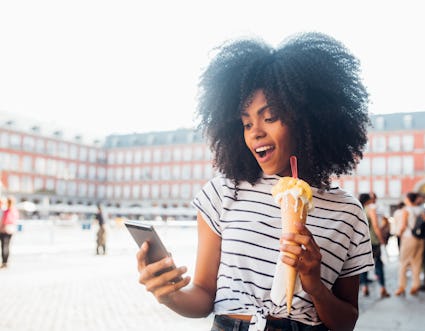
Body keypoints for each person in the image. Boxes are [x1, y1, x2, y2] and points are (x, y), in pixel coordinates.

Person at [135, 32, 373, 331]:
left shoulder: (348, 213)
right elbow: (204, 296)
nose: (255, 132)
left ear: (309, 119)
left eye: (269, 117)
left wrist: (315, 286)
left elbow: (347, 321)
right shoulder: (224, 191)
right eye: (247, 122)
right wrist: (169, 294)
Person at [358, 193, 390, 299]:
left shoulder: (358, 209)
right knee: (379, 264)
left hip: (362, 241)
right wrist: (382, 240)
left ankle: (365, 287)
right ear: (369, 200)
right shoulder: (371, 209)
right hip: (373, 241)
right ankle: (382, 288)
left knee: (363, 265)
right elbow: (376, 226)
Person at [394, 192, 424, 296]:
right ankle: (416, 285)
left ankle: (402, 286)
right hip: (420, 239)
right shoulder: (421, 210)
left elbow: (402, 226)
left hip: (408, 238)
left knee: (403, 263)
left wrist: (398, 234)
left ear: (408, 199)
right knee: (417, 262)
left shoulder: (406, 210)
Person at [0, 196, 20, 268]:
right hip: (11, 230)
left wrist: (1, 226)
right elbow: (16, 220)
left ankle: (4, 262)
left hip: (4, 229)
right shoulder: (15, 211)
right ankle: (6, 261)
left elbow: (4, 220)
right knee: (7, 246)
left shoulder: (7, 211)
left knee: (4, 246)